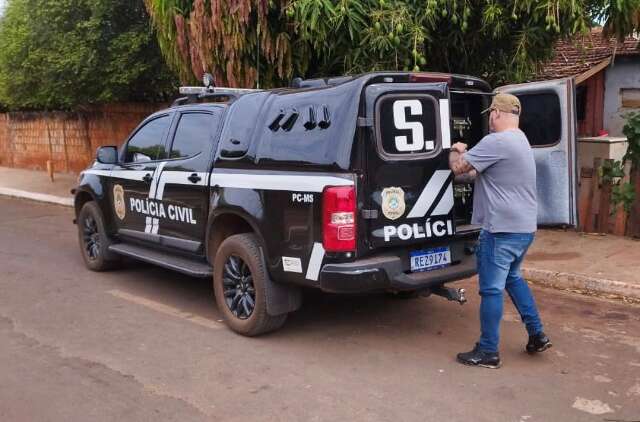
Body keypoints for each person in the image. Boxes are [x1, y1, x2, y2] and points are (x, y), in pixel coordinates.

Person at [448, 93, 552, 369]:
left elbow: (459, 168)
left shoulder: (496, 141)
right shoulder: (520, 140)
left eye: (490, 116)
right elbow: (473, 175)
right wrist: (468, 165)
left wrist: (456, 149)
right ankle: (537, 334)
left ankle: (488, 351)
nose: (490, 121)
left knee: (491, 290)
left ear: (495, 113)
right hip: (524, 228)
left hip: (501, 229)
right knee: (513, 279)